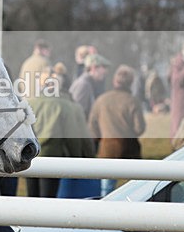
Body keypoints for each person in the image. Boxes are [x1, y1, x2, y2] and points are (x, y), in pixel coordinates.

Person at [29, 64, 98, 199]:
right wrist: (77, 159)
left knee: (32, 197)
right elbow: (72, 137)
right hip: (52, 157)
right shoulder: (65, 105)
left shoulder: (29, 102)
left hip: (30, 157)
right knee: (48, 199)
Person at [88, 65, 145, 196]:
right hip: (129, 147)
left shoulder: (101, 100)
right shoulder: (133, 101)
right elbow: (139, 128)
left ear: (115, 81)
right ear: (130, 82)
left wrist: (99, 139)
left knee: (106, 189)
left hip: (107, 148)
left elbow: (92, 126)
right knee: (136, 188)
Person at [69, 53, 111, 120]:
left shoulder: (88, 84)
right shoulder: (83, 85)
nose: (105, 71)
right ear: (93, 68)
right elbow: (76, 114)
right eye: (103, 67)